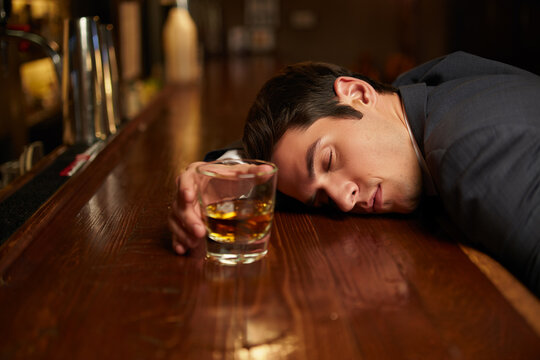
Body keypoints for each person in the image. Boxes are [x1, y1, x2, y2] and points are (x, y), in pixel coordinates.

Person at [168, 51, 540, 296]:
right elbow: (299, 163)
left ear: (359, 93)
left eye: (329, 161)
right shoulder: (419, 92)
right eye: (321, 198)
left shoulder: (471, 155)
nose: (343, 202)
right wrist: (220, 173)